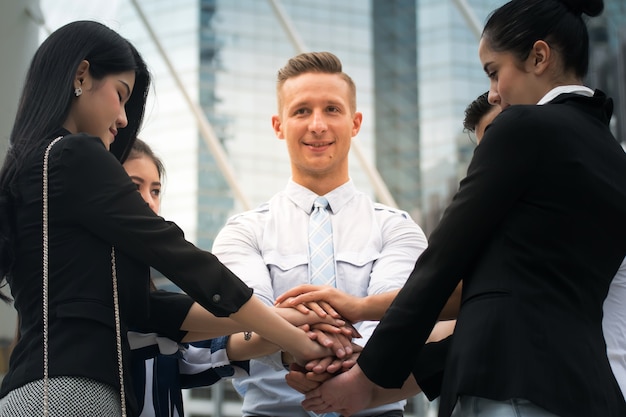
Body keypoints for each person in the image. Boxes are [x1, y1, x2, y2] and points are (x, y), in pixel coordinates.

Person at [300, 1, 626, 416]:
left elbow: (443, 262)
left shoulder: (523, 127)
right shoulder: (615, 160)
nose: (493, 93)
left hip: (510, 390)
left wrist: (367, 376)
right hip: (591, 391)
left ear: (539, 57)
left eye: (494, 71)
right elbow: (517, 296)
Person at [0, 21, 332, 417]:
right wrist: (302, 344)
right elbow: (179, 257)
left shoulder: (31, 169)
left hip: (45, 392)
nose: (123, 119)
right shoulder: (74, 155)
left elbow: (149, 313)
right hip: (69, 396)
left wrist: (290, 321)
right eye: (120, 95)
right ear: (82, 75)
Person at [211, 51, 429, 417]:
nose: (317, 125)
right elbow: (249, 323)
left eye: (332, 109)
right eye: (301, 111)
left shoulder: (398, 229)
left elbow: (397, 324)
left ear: (355, 122)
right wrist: (291, 351)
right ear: (278, 125)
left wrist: (313, 353)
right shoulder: (242, 233)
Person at [124, 139, 352, 417]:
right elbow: (174, 317)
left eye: (156, 190)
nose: (148, 200)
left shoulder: (144, 284)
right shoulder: (111, 289)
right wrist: (305, 322)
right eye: (135, 186)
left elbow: (202, 352)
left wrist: (310, 345)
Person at [464, 92, 626, 401]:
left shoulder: (578, 207)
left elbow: (465, 288)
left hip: (585, 391)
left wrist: (360, 308)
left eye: (501, 141)